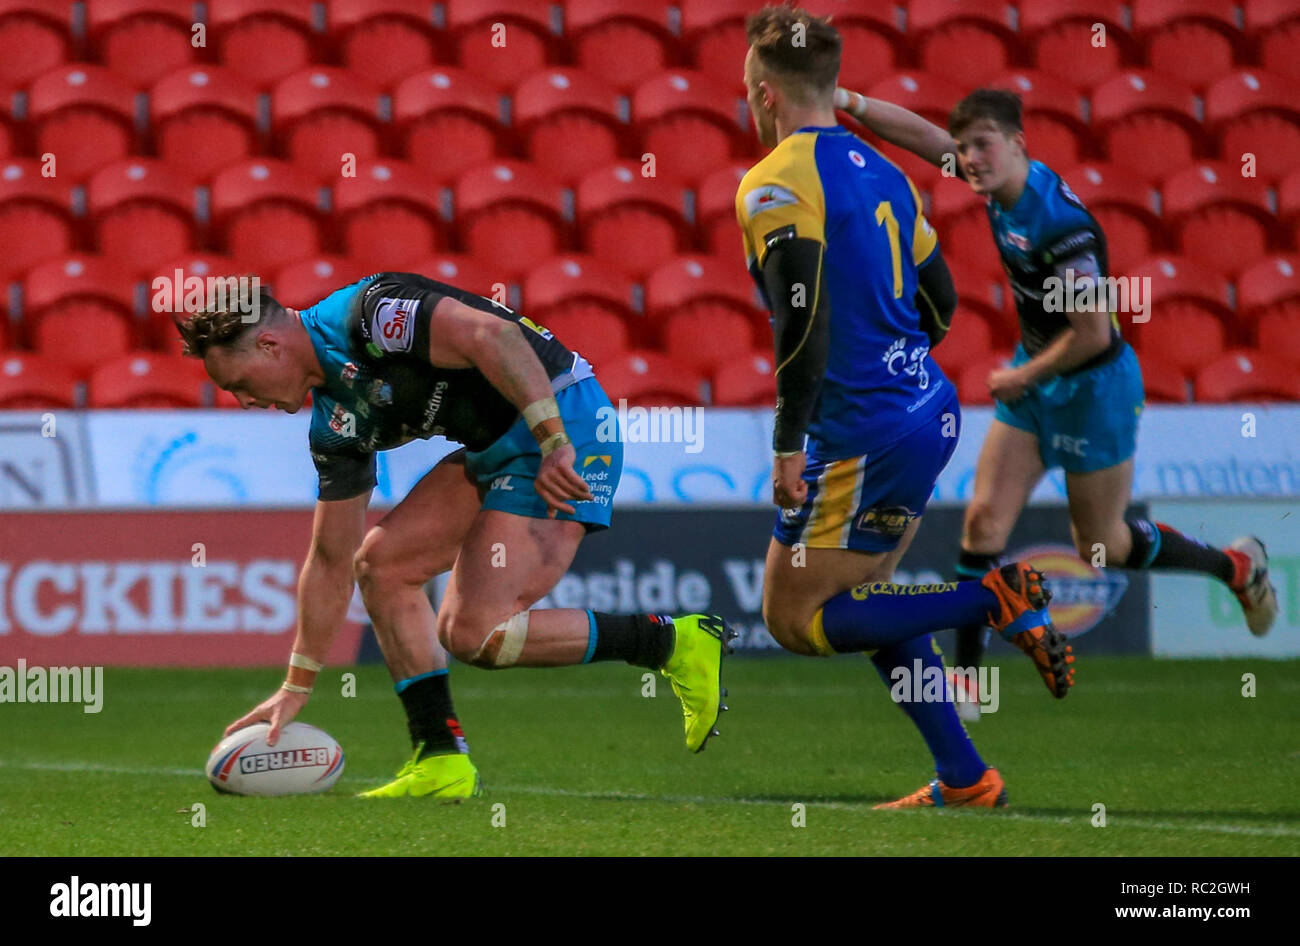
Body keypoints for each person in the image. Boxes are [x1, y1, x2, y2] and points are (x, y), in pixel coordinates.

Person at [176, 271, 735, 798]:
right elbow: (330, 559)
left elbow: (494, 335)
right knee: (381, 564)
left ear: (270, 347)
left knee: (475, 633)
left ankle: (672, 641)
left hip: (567, 422)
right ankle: (440, 759)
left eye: (241, 385)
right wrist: (296, 686)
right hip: (496, 446)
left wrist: (553, 440)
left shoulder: (366, 316)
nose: (246, 402)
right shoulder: (335, 425)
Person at [834, 85, 1278, 718]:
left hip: (1092, 387)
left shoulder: (1062, 228)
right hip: (1038, 375)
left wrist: (1022, 377)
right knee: (984, 520)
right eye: (966, 148)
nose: (970, 159)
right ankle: (967, 684)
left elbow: (1093, 331)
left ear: (1018, 144)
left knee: (1104, 545)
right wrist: (849, 99)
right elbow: (926, 138)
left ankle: (1236, 566)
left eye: (983, 145)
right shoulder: (996, 181)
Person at [737, 5, 1072, 810]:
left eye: (747, 92)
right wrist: (890, 363)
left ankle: (992, 598)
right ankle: (965, 775)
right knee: (868, 602)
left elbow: (801, 322)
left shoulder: (774, 181)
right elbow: (942, 298)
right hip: (923, 410)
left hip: (859, 432)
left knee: (795, 620)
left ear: (766, 93)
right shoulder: (883, 172)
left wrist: (789, 443)